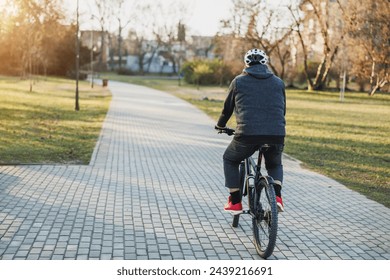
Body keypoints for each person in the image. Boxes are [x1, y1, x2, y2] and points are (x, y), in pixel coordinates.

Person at [215, 48, 286, 214]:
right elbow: (282, 110)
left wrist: (220, 125)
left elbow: (227, 109)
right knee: (274, 164)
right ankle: (277, 197)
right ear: (265, 63)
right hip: (276, 133)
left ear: (246, 63)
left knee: (230, 159)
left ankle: (235, 202)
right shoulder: (278, 82)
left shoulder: (238, 81)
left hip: (247, 134)